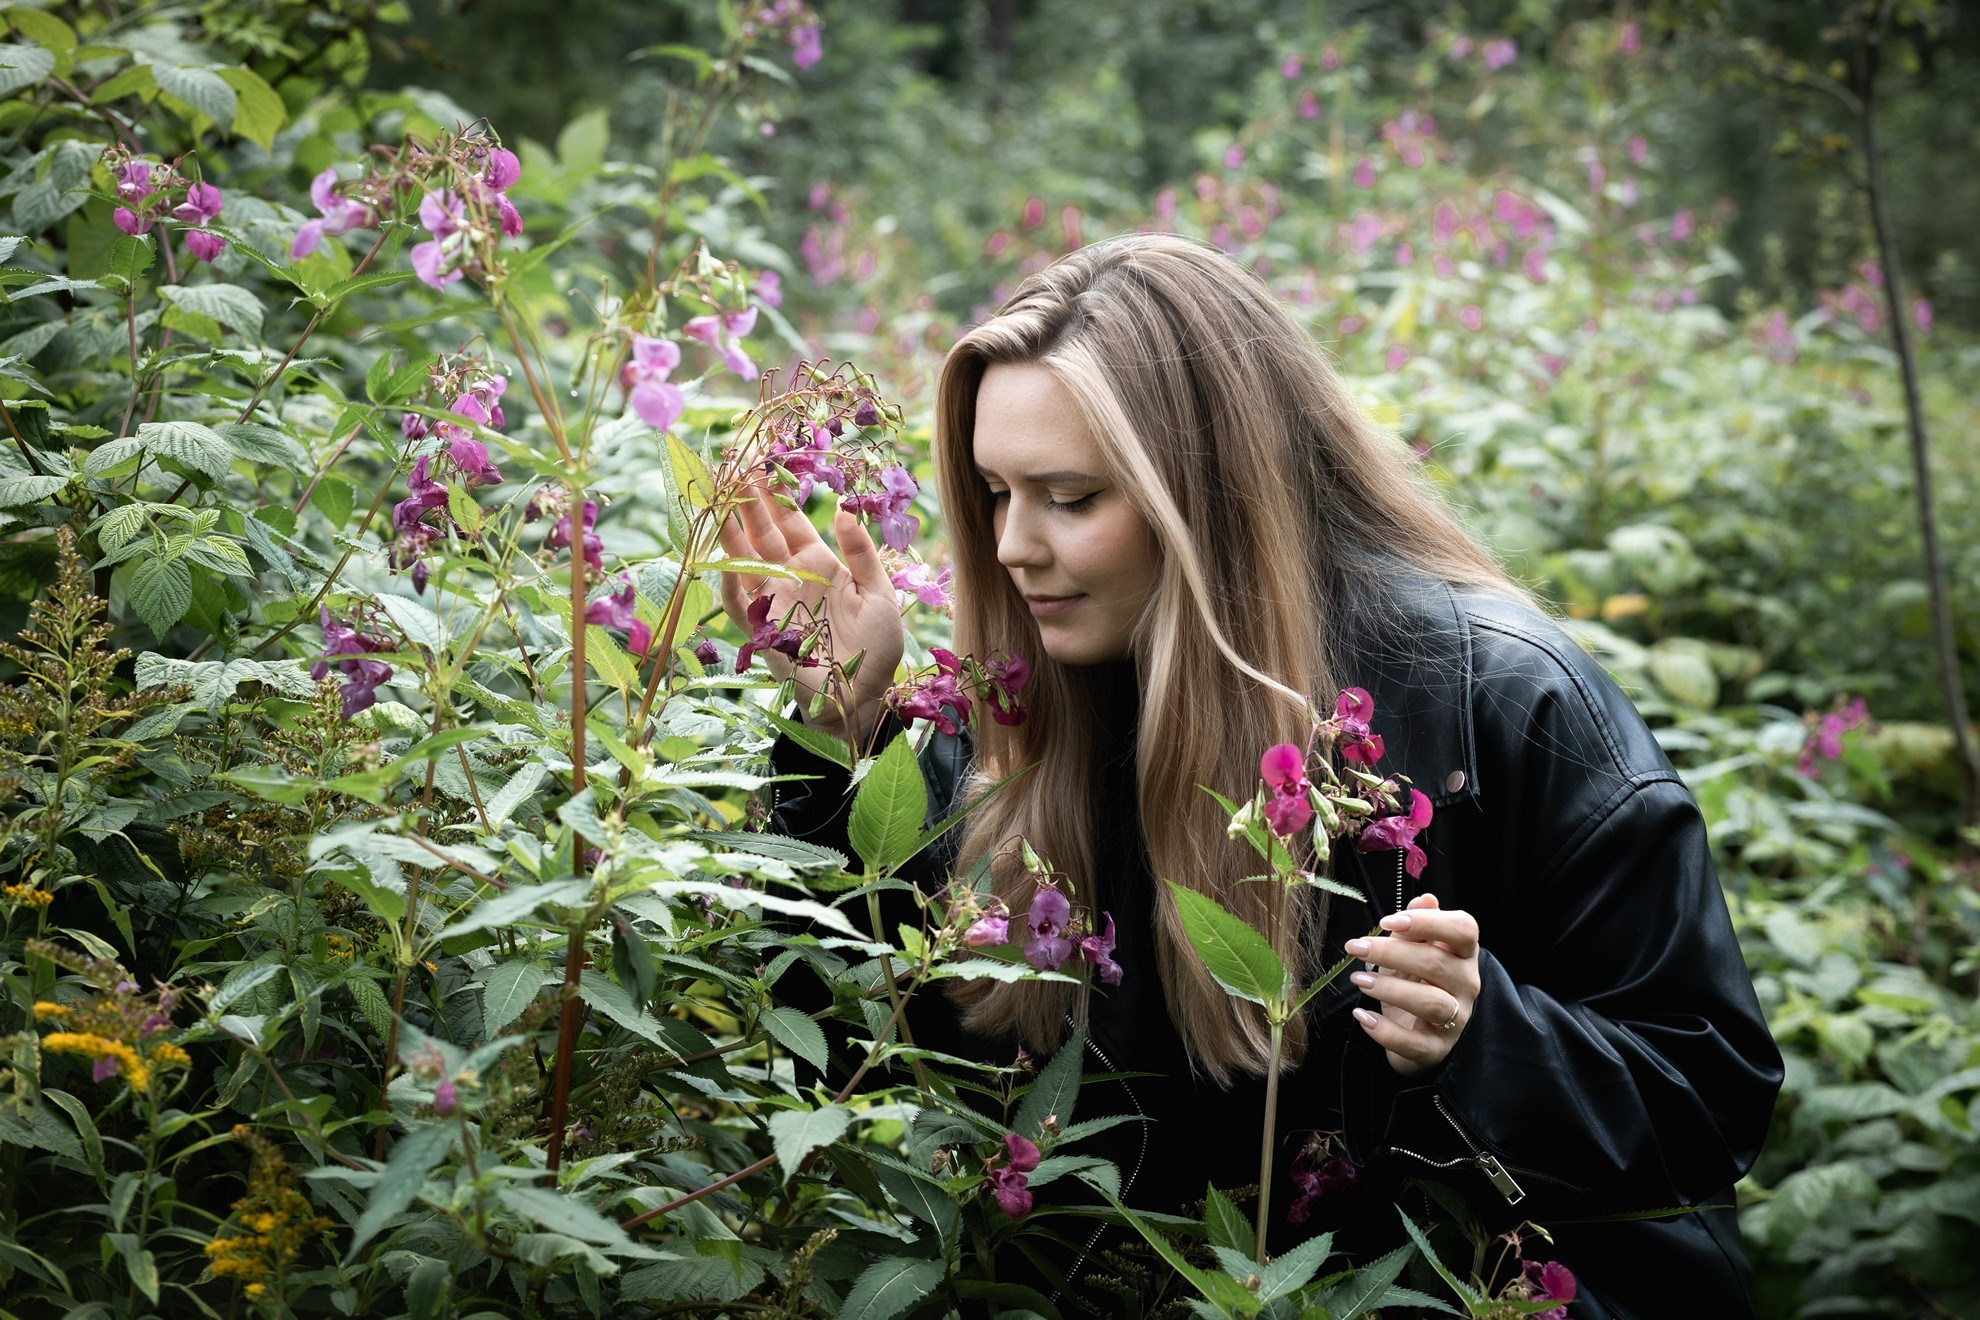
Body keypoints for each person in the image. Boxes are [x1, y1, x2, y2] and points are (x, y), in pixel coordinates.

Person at [719, 232, 1783, 1315]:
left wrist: (1485, 1040)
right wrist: (837, 741)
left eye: (1072, 496)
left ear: (1215, 496)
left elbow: (1710, 1103)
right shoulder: (1009, 717)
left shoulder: (1500, 700)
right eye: (995, 493)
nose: (1011, 547)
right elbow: (855, 1073)